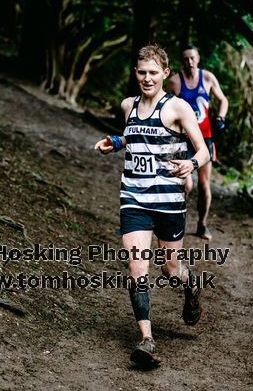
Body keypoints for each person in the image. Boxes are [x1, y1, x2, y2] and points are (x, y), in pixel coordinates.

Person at [94, 45, 209, 366]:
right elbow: (134, 136)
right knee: (136, 267)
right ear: (136, 73)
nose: (147, 78)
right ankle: (146, 339)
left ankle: (190, 284)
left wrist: (191, 164)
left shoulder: (178, 108)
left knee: (170, 269)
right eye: (142, 72)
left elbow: (203, 150)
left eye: (153, 73)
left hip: (168, 202)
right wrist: (115, 142)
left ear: (165, 75)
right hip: (134, 198)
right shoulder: (127, 105)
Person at [169, 44, 228, 241]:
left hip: (205, 139)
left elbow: (223, 100)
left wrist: (220, 117)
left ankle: (202, 224)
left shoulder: (208, 78)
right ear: (181, 61)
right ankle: (178, 220)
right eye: (185, 59)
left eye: (192, 58)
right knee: (186, 184)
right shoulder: (175, 82)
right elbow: (166, 109)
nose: (190, 62)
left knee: (204, 184)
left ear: (198, 58)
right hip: (183, 140)